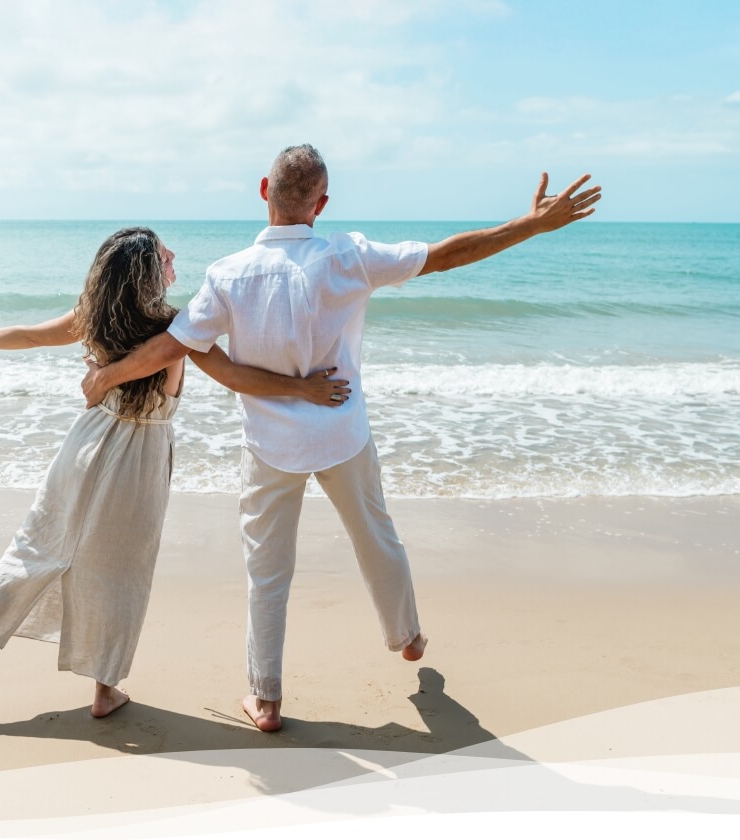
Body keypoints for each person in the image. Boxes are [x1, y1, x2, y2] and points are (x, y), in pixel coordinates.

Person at [81, 145, 602, 731]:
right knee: (375, 535)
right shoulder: (349, 255)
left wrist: (106, 376)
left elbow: (172, 345)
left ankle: (267, 699)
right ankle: (405, 636)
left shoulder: (227, 275)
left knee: (267, 572)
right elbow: (446, 255)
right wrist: (530, 226)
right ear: (321, 204)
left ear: (263, 190)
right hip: (343, 435)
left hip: (270, 448)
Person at [0, 226, 350, 718]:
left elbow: (32, 336)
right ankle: (105, 692)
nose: (175, 259)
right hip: (141, 459)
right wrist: (304, 389)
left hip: (86, 444)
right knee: (121, 575)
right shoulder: (175, 328)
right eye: (166, 255)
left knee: (37, 544)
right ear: (149, 274)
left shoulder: (96, 318)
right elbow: (234, 375)